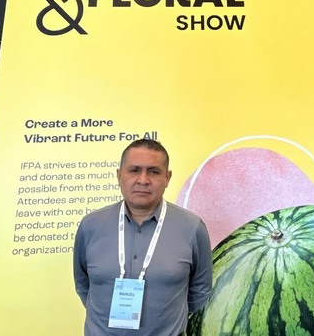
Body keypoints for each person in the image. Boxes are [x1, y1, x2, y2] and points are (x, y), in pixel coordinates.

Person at [73, 139, 213, 336]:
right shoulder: (90, 225)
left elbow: (200, 290)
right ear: (119, 175)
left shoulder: (192, 228)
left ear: (167, 177)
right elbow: (82, 284)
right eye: (134, 170)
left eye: (153, 172)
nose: (143, 180)